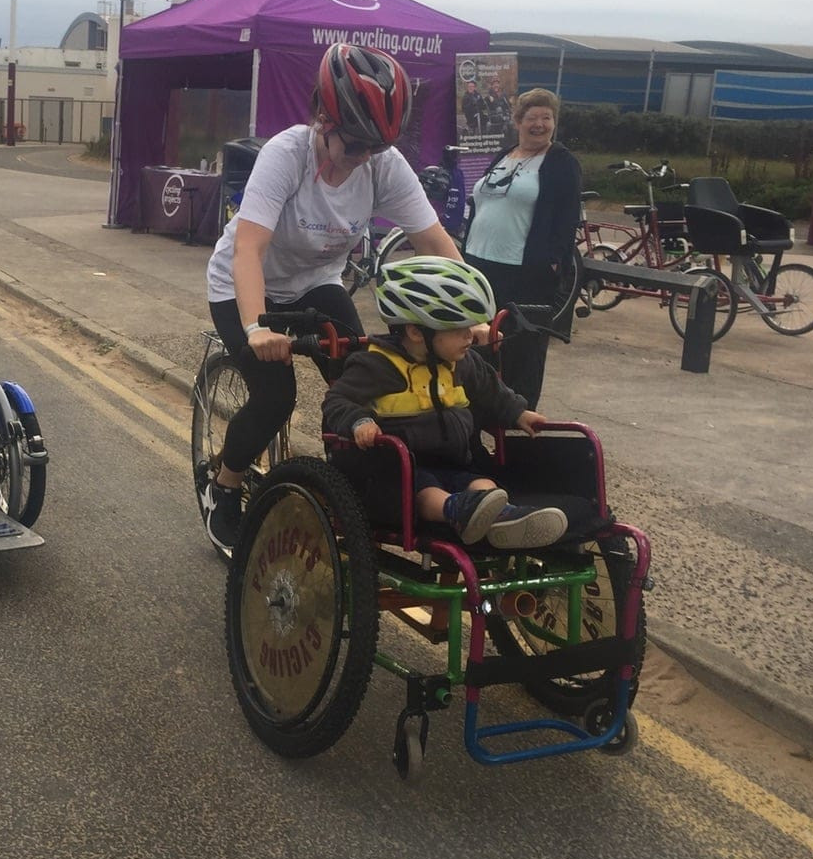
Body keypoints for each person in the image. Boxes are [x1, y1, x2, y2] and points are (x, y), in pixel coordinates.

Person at [199, 42, 466, 551]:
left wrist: (471, 312)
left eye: (377, 147)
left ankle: (354, 488)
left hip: (316, 282)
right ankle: (225, 486)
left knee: (367, 382)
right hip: (243, 286)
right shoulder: (286, 155)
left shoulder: (383, 164)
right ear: (323, 117)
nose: (366, 157)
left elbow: (435, 242)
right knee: (276, 397)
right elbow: (249, 249)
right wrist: (256, 328)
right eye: (357, 144)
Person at [322, 258, 567, 548]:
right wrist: (360, 421)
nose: (469, 336)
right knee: (427, 492)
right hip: (398, 472)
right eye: (457, 328)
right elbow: (337, 400)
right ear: (416, 332)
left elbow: (492, 390)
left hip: (454, 462)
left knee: (484, 485)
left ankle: (503, 518)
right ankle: (458, 511)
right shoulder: (377, 366)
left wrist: (518, 412)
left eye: (470, 327)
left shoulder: (462, 362)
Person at [461, 87, 582, 410]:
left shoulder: (561, 162)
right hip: (479, 262)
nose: (539, 124)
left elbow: (568, 216)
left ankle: (519, 411)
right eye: (532, 117)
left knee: (521, 346)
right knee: (478, 340)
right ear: (517, 122)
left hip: (524, 268)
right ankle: (479, 405)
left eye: (547, 118)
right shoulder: (504, 155)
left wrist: (554, 261)